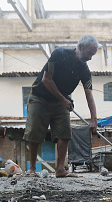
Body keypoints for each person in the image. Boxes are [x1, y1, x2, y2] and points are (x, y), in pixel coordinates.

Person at [24, 35, 99, 178]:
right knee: (34, 131)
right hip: (40, 97)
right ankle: (32, 169)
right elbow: (47, 79)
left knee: (64, 133)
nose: (90, 58)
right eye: (89, 53)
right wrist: (63, 100)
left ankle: (60, 170)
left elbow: (89, 94)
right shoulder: (60, 54)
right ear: (81, 46)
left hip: (62, 101)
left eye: (93, 54)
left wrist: (94, 119)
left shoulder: (84, 70)